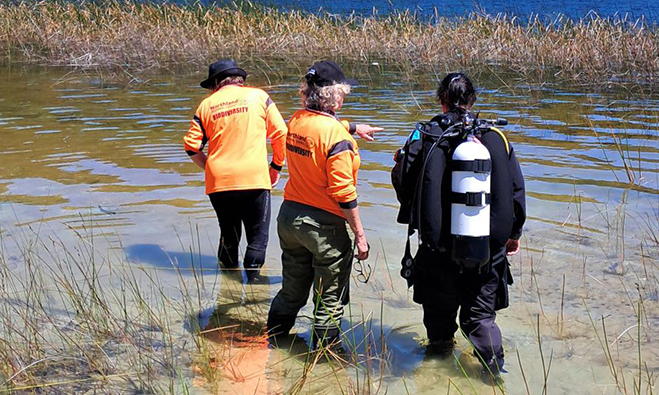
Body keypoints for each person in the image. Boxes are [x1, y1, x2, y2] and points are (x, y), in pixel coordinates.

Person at [391, 72, 526, 376]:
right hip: (486, 250)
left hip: (436, 249)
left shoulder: (424, 135)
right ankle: (494, 376)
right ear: (472, 100)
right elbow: (516, 191)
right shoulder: (495, 137)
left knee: (439, 324)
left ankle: (435, 378)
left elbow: (404, 180)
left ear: (441, 100)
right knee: (480, 319)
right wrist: (513, 234)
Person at [266, 61, 380, 350]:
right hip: (323, 228)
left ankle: (273, 341)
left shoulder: (296, 120)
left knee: (292, 288)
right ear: (335, 97)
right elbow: (343, 191)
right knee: (329, 296)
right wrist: (360, 235)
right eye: (342, 93)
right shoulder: (337, 138)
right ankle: (326, 358)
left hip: (289, 219)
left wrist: (354, 127)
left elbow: (318, 130)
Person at [183, 59, 286, 280]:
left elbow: (191, 146)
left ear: (216, 83)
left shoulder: (206, 105)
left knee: (229, 235)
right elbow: (281, 134)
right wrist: (276, 167)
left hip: (219, 181)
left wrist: (209, 167)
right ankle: (254, 285)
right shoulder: (259, 97)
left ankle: (227, 284)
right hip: (254, 178)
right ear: (239, 80)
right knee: (257, 237)